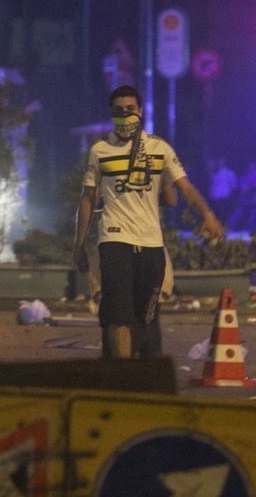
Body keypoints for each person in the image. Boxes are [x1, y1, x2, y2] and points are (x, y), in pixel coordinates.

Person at [73, 85, 223, 359]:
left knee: (145, 317)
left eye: (130, 109)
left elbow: (185, 189)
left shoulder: (160, 149)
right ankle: (124, 376)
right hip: (114, 239)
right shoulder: (100, 151)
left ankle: (133, 367)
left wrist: (208, 215)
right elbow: (87, 198)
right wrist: (79, 244)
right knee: (118, 314)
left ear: (140, 111)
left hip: (151, 244)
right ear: (111, 114)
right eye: (119, 111)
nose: (125, 115)